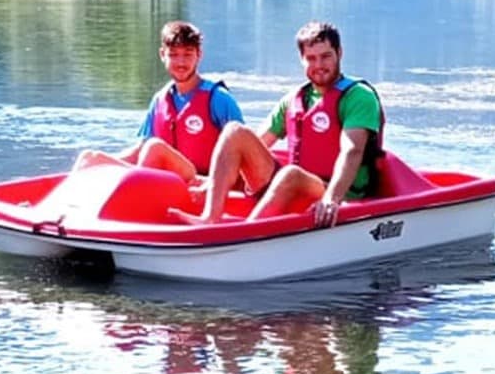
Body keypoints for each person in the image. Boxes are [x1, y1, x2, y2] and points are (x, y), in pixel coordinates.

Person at [172, 20, 383, 228]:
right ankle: (210, 217)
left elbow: (352, 151)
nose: (318, 65)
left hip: (338, 193)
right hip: (293, 185)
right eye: (311, 58)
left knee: (290, 174)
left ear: (339, 53)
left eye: (325, 56)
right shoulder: (296, 99)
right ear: (302, 59)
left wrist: (331, 198)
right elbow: (258, 143)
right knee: (234, 132)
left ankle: (246, 236)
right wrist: (214, 183)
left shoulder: (358, 97)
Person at [74, 21, 244, 184]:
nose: (181, 62)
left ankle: (135, 198)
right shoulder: (159, 100)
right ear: (162, 55)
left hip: (203, 182)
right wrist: (103, 163)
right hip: (167, 181)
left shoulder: (219, 98)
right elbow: (139, 150)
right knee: (90, 157)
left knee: (155, 147)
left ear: (199, 54)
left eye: (188, 54)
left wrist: (215, 185)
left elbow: (242, 153)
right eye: (174, 55)